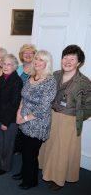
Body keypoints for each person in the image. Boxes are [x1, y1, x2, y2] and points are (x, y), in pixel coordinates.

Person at [38, 45, 91, 190]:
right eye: (65, 57)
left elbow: (89, 105)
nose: (67, 61)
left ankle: (59, 179)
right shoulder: (54, 75)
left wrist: (76, 116)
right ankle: (46, 169)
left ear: (78, 62)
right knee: (49, 145)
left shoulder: (84, 82)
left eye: (72, 58)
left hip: (69, 121)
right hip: (52, 116)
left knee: (63, 151)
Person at [16, 50, 57, 190]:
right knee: (25, 151)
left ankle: (31, 180)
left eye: (41, 60)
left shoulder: (50, 81)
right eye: (36, 59)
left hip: (37, 123)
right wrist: (18, 113)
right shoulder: (31, 77)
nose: (37, 62)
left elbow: (43, 107)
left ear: (47, 63)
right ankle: (23, 173)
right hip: (23, 120)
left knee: (30, 154)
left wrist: (25, 118)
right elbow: (23, 97)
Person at [0, 54, 23, 175]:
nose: (6, 66)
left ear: (15, 66)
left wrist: (6, 122)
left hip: (9, 119)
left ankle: (5, 166)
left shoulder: (16, 81)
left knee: (7, 144)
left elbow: (14, 104)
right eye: (4, 63)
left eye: (9, 64)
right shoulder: (3, 77)